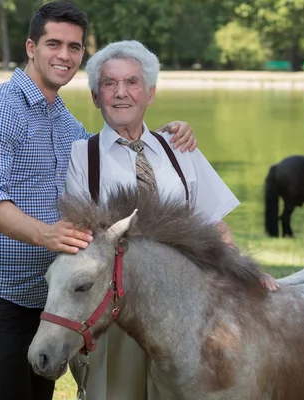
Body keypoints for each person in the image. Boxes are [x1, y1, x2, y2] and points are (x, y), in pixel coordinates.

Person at [0, 3, 196, 400]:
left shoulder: (68, 124)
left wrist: (163, 137)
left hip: (58, 300)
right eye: (54, 44)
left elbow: (113, 157)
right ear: (32, 47)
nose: (64, 56)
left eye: (74, 47)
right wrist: (47, 235)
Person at [64, 39, 279, 400]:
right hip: (121, 320)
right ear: (94, 96)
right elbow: (84, 241)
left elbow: (214, 224)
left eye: (132, 82)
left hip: (191, 318)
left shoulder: (180, 148)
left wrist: (245, 272)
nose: (121, 93)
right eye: (109, 83)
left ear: (150, 94)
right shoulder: (82, 157)